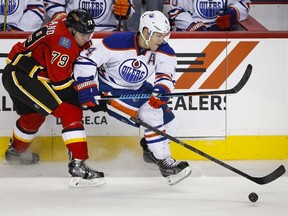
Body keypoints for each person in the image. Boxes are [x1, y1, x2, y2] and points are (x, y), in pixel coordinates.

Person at [72, 10, 192, 185]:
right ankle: (166, 164)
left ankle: (151, 150)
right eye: (158, 35)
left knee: (171, 125)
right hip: (112, 91)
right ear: (145, 32)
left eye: (165, 35)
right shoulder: (116, 42)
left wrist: (161, 89)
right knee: (152, 113)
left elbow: (166, 75)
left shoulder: (164, 49)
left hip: (139, 89)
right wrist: (86, 85)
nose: (162, 40)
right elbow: (85, 60)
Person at [1, 9, 105, 188]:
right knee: (69, 110)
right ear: (71, 30)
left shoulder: (67, 25)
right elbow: (61, 86)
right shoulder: (63, 45)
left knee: (33, 117)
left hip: (28, 73)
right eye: (83, 35)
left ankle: (15, 153)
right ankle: (78, 164)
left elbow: (61, 16)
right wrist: (87, 98)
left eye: (90, 34)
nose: (87, 39)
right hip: (23, 76)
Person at [44, 0, 135, 31]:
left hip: (107, 34)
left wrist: (126, 10)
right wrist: (59, 14)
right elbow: (54, 2)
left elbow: (127, 7)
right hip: (74, 33)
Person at [169, 0, 251, 31]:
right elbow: (176, 12)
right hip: (191, 35)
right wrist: (192, 26)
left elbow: (244, 4)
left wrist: (234, 12)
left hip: (223, 33)